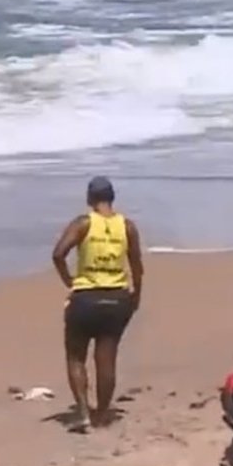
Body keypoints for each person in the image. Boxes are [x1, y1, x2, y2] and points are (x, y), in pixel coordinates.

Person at [51, 176, 144, 432]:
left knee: (75, 355)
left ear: (89, 199)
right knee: (107, 357)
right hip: (117, 299)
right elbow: (137, 266)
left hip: (85, 298)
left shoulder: (83, 224)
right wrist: (136, 295)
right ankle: (101, 414)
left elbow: (58, 254)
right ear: (112, 197)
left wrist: (70, 281)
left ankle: (82, 412)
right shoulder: (127, 226)